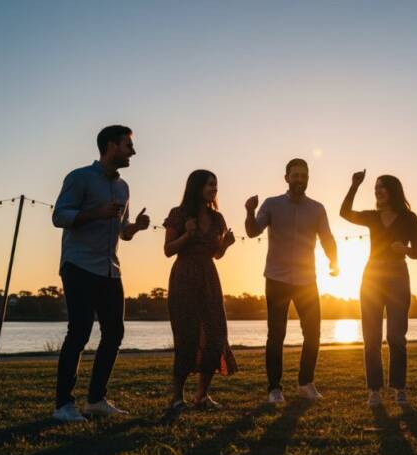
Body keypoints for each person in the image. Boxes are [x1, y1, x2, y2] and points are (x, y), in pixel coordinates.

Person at [51, 125, 150, 422]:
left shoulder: (123, 187)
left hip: (110, 269)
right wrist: (96, 213)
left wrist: (137, 227)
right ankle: (63, 405)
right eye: (128, 145)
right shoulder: (79, 177)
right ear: (110, 146)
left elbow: (122, 230)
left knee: (115, 332)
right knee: (79, 331)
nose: (133, 151)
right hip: (79, 264)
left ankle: (96, 400)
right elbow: (59, 216)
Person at [245, 158, 339, 403]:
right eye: (295, 175)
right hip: (277, 278)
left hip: (307, 280)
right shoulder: (272, 204)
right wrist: (248, 212)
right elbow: (253, 231)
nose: (300, 180)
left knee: (313, 333)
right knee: (276, 335)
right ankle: (274, 389)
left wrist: (334, 260)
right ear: (286, 178)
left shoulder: (317, 208)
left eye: (303, 176)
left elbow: (327, 238)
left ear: (308, 178)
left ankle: (306, 383)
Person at [340, 170, 417, 407]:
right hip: (372, 277)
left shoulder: (409, 217)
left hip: (398, 276)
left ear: (393, 190)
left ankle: (399, 388)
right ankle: (374, 390)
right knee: (371, 337)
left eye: (381, 186)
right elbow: (344, 213)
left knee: (396, 336)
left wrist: (404, 250)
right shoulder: (372, 217)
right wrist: (354, 185)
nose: (377, 190)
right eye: (375, 187)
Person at [163, 170, 237, 411]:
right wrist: (187, 234)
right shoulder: (179, 214)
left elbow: (216, 254)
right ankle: (177, 398)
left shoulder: (218, 219)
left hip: (209, 277)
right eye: (209, 185)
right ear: (196, 187)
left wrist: (224, 246)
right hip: (184, 276)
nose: (214, 189)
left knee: (215, 335)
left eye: (215, 185)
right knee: (187, 336)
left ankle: (202, 396)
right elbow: (168, 249)